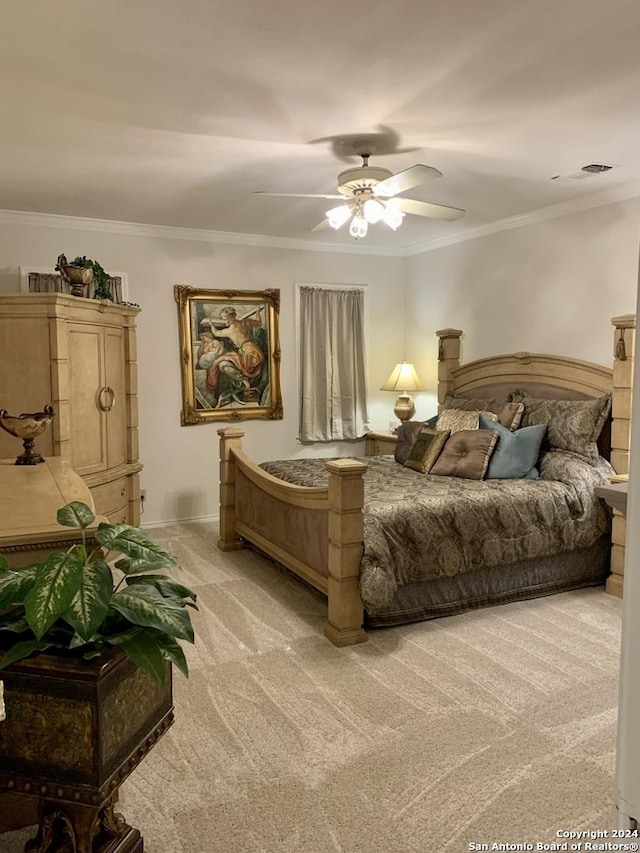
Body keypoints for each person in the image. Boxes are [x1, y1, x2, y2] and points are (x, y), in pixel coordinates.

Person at [202, 306, 266, 404]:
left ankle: (243, 381)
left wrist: (211, 325)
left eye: (227, 319)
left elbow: (216, 333)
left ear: (233, 316)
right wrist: (257, 313)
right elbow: (258, 322)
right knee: (225, 360)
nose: (226, 322)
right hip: (256, 351)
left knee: (221, 362)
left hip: (248, 354)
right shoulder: (245, 323)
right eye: (224, 320)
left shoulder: (230, 330)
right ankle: (242, 383)